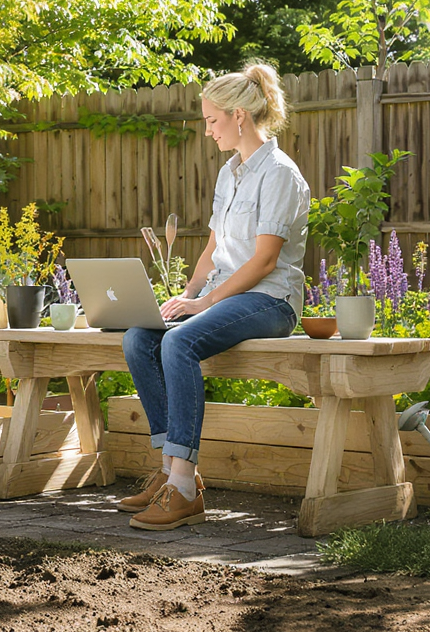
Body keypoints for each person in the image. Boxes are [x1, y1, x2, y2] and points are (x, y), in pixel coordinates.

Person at [120, 63, 310, 531]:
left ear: (240, 117)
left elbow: (264, 262)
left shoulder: (281, 175)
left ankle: (184, 487)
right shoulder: (230, 174)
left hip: (269, 301)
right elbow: (212, 249)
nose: (207, 131)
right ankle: (169, 472)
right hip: (223, 296)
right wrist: (181, 298)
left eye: (211, 120)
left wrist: (204, 305)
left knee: (178, 343)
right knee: (139, 338)